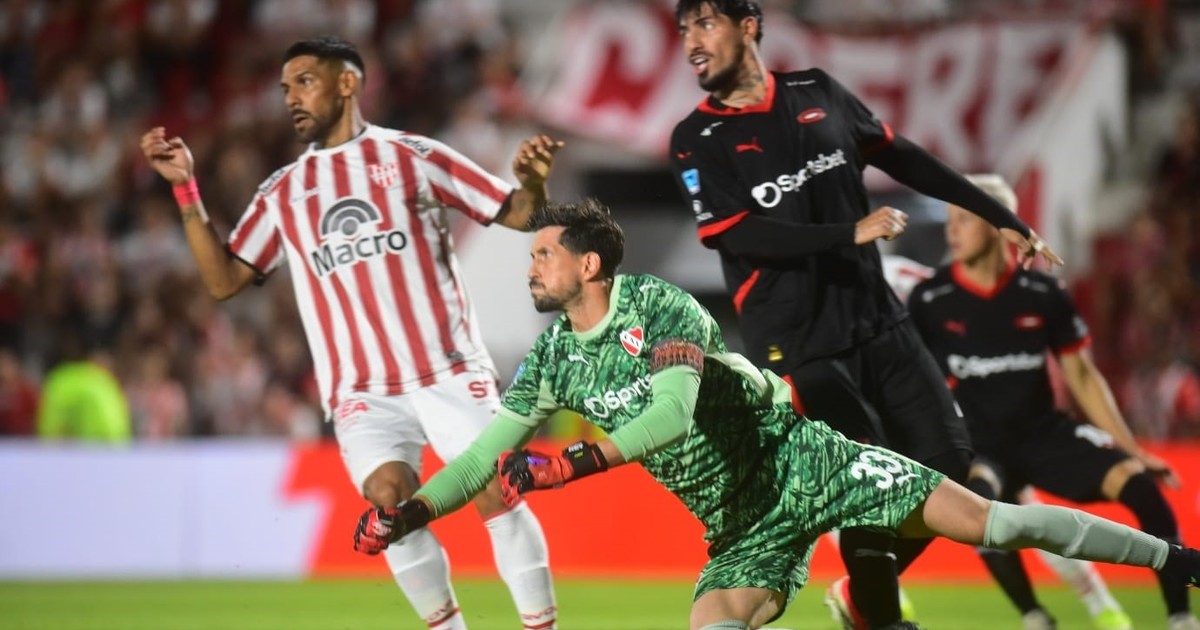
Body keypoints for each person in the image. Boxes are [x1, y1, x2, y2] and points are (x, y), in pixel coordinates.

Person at [349, 198, 1200, 630]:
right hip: (737, 521)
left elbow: (672, 416)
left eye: (543, 255)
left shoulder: (658, 305)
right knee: (711, 623)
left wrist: (575, 462)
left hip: (805, 459)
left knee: (998, 525)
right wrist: (410, 514)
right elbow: (480, 459)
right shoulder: (550, 361)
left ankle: (1180, 560)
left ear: (591, 266)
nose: (531, 268)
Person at [140, 36, 560, 630]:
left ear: (347, 83)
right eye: (285, 88)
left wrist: (534, 184)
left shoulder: (412, 156)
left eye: (304, 81)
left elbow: (518, 212)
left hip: (446, 367)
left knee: (495, 488)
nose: (291, 97)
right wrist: (186, 189)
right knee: (389, 505)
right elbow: (224, 280)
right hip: (361, 390)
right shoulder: (284, 191)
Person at [666, 1, 1064, 627]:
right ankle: (881, 618)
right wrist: (848, 232)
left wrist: (998, 215)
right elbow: (740, 235)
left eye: (705, 23)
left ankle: (861, 595)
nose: (691, 40)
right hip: (799, 344)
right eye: (684, 29)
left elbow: (901, 155)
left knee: (952, 463)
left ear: (749, 27)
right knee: (867, 476)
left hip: (878, 320)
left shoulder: (816, 91)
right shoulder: (697, 138)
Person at [907, 175, 1199, 630]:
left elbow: (1082, 375)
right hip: (982, 446)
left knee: (1141, 485)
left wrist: (1132, 448)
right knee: (976, 503)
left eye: (964, 218)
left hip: (1045, 435)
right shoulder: (930, 298)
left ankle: (1181, 617)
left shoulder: (1042, 293)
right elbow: (913, 379)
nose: (951, 230)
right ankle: (1035, 616)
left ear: (998, 225)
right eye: (950, 219)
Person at [884, 253, 1135, 630]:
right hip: (926, 419)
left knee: (998, 513)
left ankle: (1094, 605)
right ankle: (1069, 609)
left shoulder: (895, 279)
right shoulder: (869, 279)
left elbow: (956, 314)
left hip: (962, 420)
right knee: (988, 515)